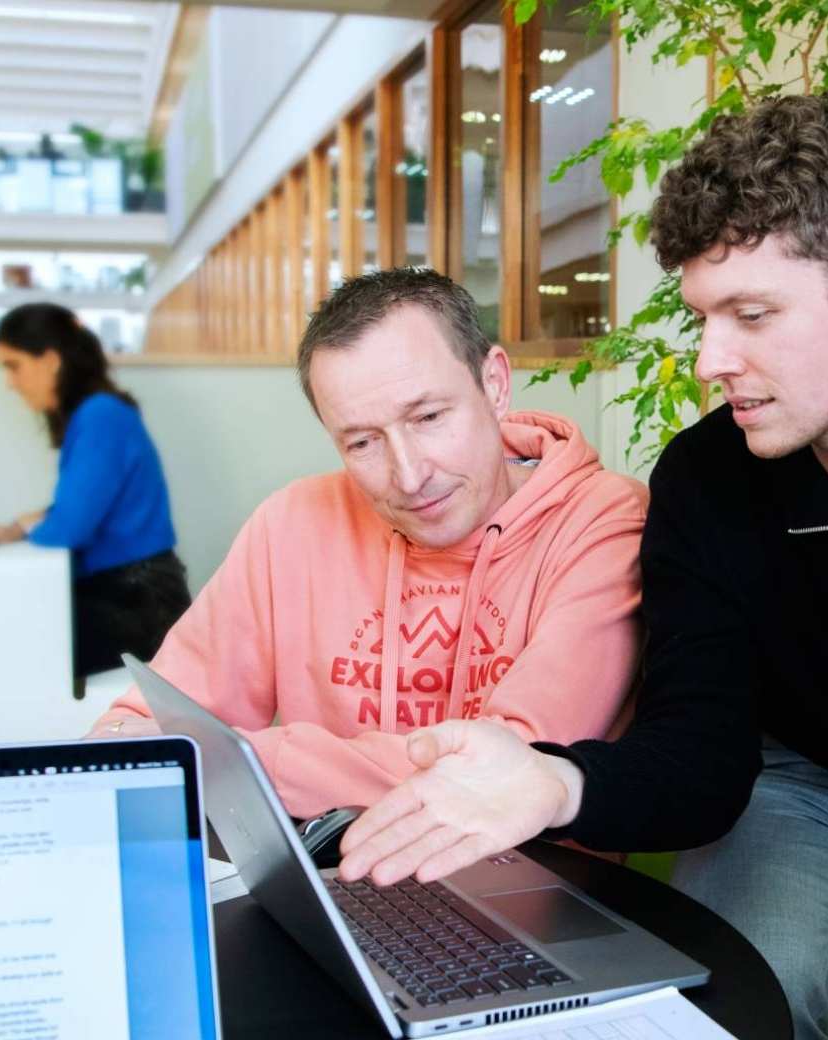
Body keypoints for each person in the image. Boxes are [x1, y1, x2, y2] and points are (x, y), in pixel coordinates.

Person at [337, 98, 828, 1040]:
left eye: (752, 314)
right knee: (720, 1011)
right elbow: (702, 754)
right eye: (706, 318)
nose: (713, 359)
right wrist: (555, 783)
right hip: (798, 793)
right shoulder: (709, 480)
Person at [87, 268, 649, 822]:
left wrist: (251, 759)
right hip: (337, 876)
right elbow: (146, 726)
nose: (408, 476)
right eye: (362, 442)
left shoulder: (602, 518)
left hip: (538, 885)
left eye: (428, 416)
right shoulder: (291, 523)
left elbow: (513, 770)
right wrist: (143, 746)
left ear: (495, 384)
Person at [0, 303, 190, 677]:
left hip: (134, 605)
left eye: (13, 366)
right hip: (132, 596)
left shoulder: (99, 416)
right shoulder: (99, 414)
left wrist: (30, 528)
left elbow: (68, 527)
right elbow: (75, 509)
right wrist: (12, 529)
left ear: (49, 360)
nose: (9, 383)